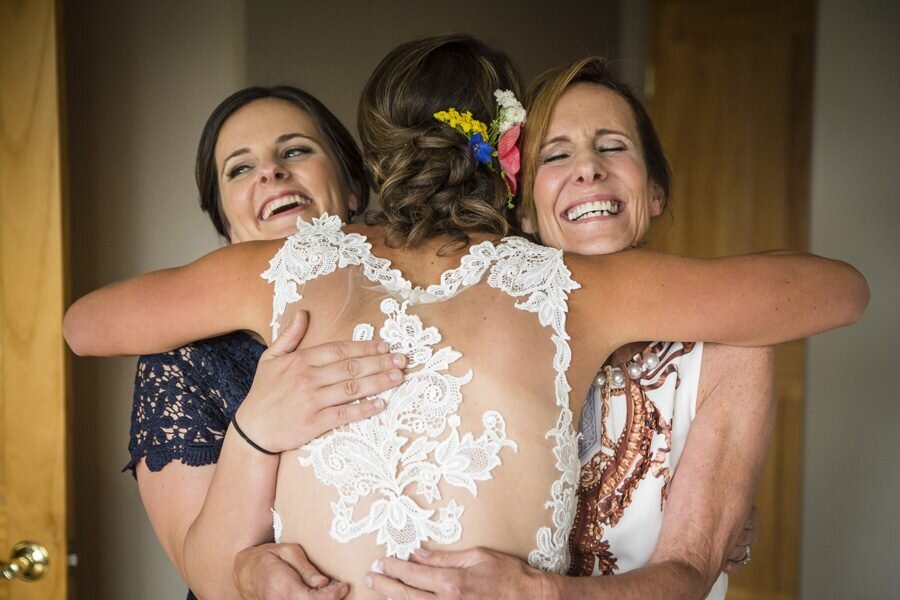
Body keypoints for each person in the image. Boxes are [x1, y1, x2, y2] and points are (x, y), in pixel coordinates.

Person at [63, 35, 868, 599]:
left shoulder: (279, 272)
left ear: (367, 159)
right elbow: (840, 290)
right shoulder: (584, 286)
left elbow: (83, 326)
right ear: (506, 154)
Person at [368, 57, 772, 600]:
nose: (588, 170)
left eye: (612, 146)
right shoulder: (466, 330)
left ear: (655, 191)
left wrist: (536, 593)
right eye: (557, 155)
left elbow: (688, 573)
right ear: (525, 211)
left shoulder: (733, 346)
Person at [122, 85, 405, 599]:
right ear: (227, 226)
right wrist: (255, 429)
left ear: (353, 186)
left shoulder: (424, 307)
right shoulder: (183, 361)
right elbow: (208, 578)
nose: (271, 172)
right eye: (239, 168)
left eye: (295, 150)